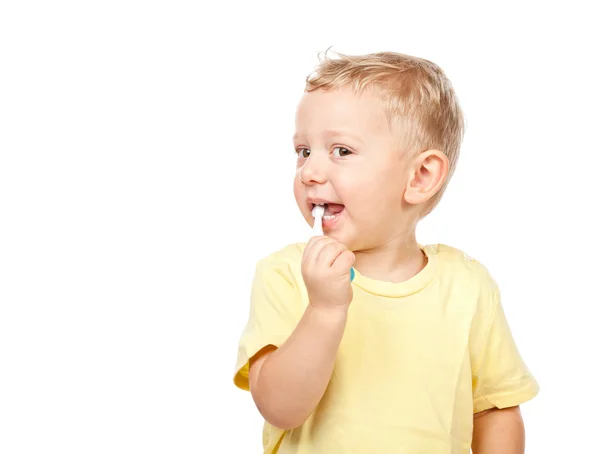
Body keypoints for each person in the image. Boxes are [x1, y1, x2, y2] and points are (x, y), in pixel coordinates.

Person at [233, 50, 539, 453]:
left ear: (420, 176)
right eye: (304, 151)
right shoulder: (286, 274)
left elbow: (495, 411)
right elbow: (280, 408)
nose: (309, 171)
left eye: (341, 150)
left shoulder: (468, 287)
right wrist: (324, 309)